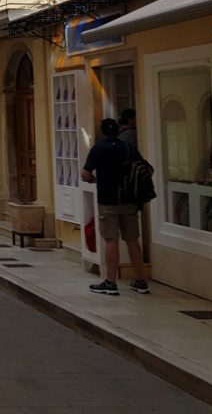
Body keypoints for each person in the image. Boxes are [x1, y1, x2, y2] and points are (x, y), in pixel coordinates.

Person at [81, 118, 149, 296]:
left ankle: (111, 282)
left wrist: (95, 179)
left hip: (108, 200)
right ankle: (141, 281)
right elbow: (143, 167)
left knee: (112, 240)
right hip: (130, 200)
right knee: (133, 240)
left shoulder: (98, 148)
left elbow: (85, 173)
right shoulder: (127, 147)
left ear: (102, 131)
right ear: (118, 130)